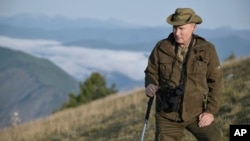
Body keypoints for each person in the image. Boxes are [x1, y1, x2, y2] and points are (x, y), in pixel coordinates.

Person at [144, 8, 223, 141]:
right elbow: (151, 72)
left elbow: (216, 82)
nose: (177, 32)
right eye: (174, 28)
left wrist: (210, 112)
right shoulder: (161, 48)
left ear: (194, 27)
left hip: (196, 113)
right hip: (167, 115)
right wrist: (150, 84)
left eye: (181, 28)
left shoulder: (206, 49)